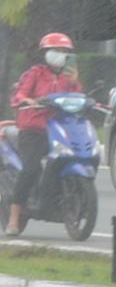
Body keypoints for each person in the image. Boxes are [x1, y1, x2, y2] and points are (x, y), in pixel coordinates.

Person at [8, 32, 83, 238]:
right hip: (33, 129)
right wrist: (27, 100)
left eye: (65, 52)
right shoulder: (35, 73)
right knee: (31, 168)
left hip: (59, 131)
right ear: (46, 53)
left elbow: (77, 97)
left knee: (69, 158)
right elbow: (19, 94)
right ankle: (14, 217)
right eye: (57, 51)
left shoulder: (69, 77)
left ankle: (55, 200)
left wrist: (76, 83)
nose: (61, 55)